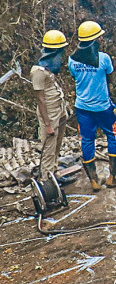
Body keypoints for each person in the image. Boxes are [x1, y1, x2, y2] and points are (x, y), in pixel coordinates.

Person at [68, 21, 116, 191]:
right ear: (94, 41)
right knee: (114, 135)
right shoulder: (104, 58)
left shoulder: (71, 60)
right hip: (103, 108)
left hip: (83, 108)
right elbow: (109, 79)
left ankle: (94, 180)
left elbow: (75, 77)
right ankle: (113, 177)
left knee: (87, 140)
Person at [31, 30, 69, 179]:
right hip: (50, 113)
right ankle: (47, 180)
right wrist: (47, 124)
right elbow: (40, 99)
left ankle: (54, 172)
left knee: (57, 144)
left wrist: (64, 109)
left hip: (59, 109)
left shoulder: (49, 68)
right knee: (49, 147)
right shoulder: (38, 72)